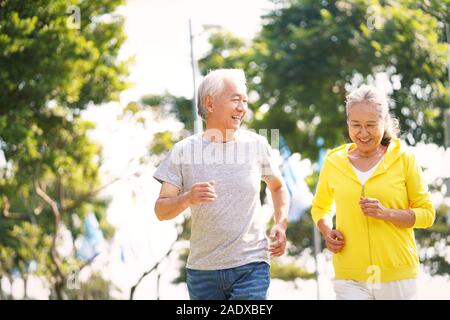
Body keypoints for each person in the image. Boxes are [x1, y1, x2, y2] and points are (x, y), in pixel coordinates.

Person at [153, 68, 290, 300]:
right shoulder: (184, 151)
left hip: (251, 265)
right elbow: (161, 210)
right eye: (235, 99)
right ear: (210, 103)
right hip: (203, 273)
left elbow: (277, 187)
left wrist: (281, 223)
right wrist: (187, 198)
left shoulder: (256, 145)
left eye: (245, 101)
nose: (242, 108)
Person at [311, 85, 435, 300]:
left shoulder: (404, 159)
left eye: (370, 125)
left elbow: (427, 214)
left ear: (384, 122)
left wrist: (386, 213)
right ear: (348, 123)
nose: (363, 133)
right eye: (355, 125)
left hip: (396, 274)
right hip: (350, 275)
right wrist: (326, 231)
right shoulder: (334, 162)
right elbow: (320, 207)